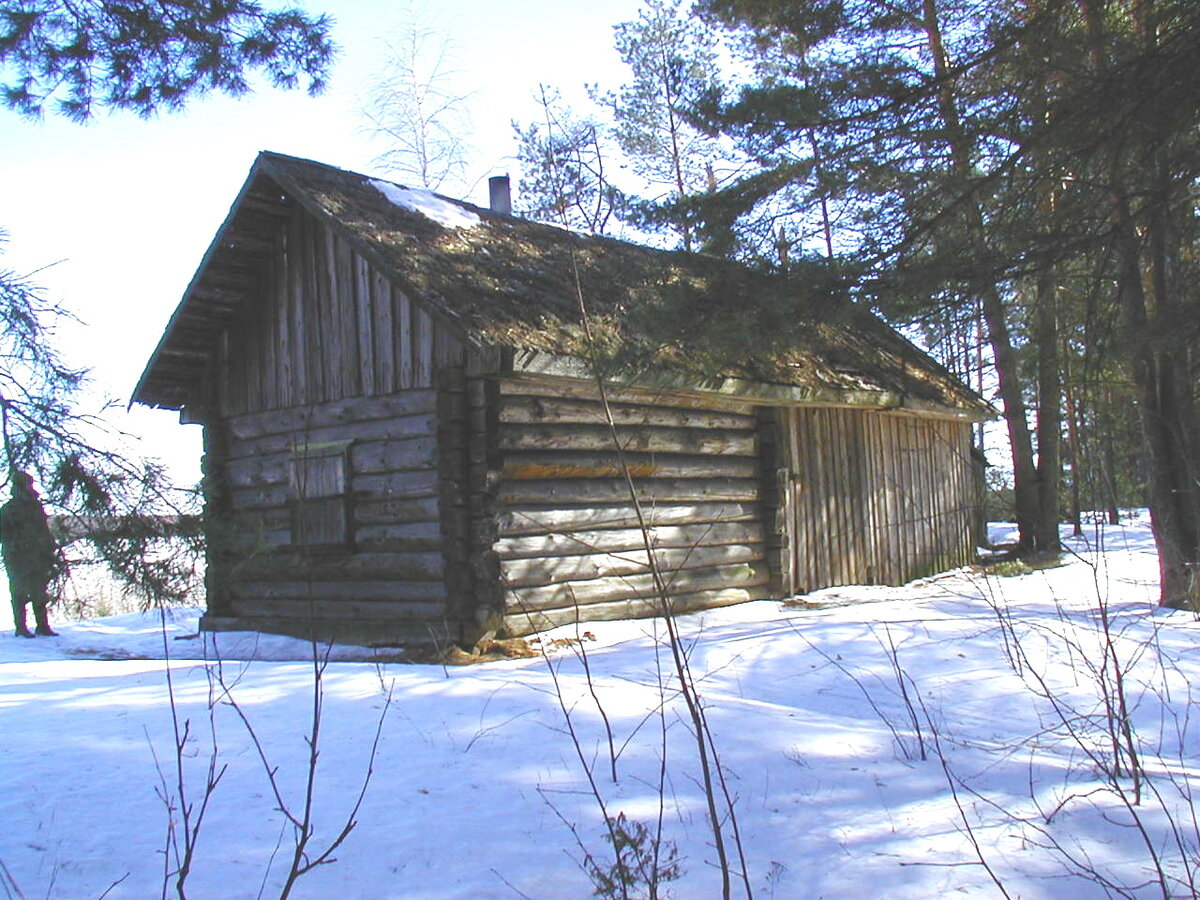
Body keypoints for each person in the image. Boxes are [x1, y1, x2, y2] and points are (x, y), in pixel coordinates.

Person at [1, 469, 60, 637]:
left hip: (37, 554)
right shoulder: (8, 509)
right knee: (19, 591)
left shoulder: (35, 506)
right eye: (27, 483)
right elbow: (3, 533)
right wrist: (14, 545)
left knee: (39, 590)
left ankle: (43, 626)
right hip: (17, 557)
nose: (30, 486)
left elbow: (43, 529)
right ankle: (21, 628)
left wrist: (50, 546)